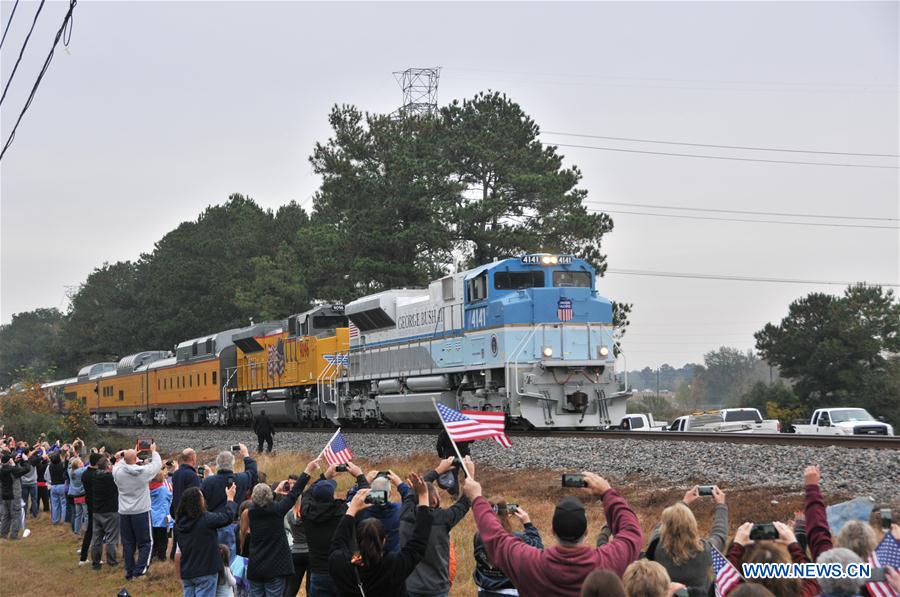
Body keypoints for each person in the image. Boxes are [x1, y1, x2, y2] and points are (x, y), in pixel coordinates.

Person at [464, 470, 643, 597]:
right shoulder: (608, 562)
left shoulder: (529, 562)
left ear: (553, 530)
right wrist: (607, 493)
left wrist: (478, 499)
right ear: (587, 532)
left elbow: (495, 536)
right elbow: (632, 531)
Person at [328, 473, 433, 597]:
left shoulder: (341, 564)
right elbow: (419, 543)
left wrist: (352, 509)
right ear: (383, 541)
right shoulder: (395, 565)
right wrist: (422, 494)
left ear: (357, 538)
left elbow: (338, 541)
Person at [401, 457, 473, 597]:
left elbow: (414, 491)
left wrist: (438, 470)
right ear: (434, 501)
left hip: (409, 585)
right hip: (435, 588)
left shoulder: (405, 513)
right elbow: (465, 502)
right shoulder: (442, 518)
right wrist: (470, 475)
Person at [645, 485, 728, 596]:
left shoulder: (655, 546)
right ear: (692, 526)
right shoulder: (706, 551)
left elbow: (661, 525)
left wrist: (684, 502)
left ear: (666, 527)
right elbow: (720, 533)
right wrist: (721, 505)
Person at [245, 462, 312, 597]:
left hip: (256, 567)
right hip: (274, 568)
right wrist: (307, 472)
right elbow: (294, 495)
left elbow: (261, 503)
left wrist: (274, 493)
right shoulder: (277, 511)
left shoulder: (251, 512)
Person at [302, 463, 363, 597]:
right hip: (341, 571)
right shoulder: (342, 512)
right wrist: (360, 475)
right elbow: (372, 497)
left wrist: (325, 476)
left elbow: (307, 493)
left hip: (317, 573)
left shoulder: (306, 512)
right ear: (332, 496)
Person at [175, 484, 239, 596]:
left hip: (187, 572)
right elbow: (227, 517)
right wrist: (230, 499)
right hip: (206, 571)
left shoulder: (179, 523)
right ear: (198, 502)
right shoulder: (205, 520)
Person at [473, 498, 543, 596]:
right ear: (507, 515)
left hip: (484, 591)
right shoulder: (518, 538)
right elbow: (538, 549)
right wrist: (528, 524)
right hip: (510, 592)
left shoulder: (479, 536)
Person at [113, 444, 163, 580]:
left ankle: (129, 571)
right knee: (146, 542)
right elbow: (157, 465)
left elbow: (118, 461)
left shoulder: (117, 472)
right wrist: (153, 451)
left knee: (128, 543)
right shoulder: (143, 472)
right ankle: (140, 571)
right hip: (141, 511)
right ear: (136, 459)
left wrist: (129, 453)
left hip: (124, 511)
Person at [202, 443, 257, 561]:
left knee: (213, 557)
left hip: (214, 522)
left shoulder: (208, 482)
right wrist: (246, 455)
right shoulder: (241, 479)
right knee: (231, 558)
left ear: (217, 465)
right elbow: (253, 473)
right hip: (234, 523)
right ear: (232, 464)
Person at [348, 469, 410, 553]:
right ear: (390, 493)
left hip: (366, 558)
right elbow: (411, 501)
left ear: (371, 492)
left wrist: (365, 480)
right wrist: (400, 484)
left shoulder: (360, 510)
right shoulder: (399, 511)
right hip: (393, 560)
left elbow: (351, 502)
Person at [171, 448, 204, 560]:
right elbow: (195, 496)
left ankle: (173, 558)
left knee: (177, 540)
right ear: (192, 458)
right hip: (189, 514)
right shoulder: (192, 475)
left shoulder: (176, 474)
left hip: (177, 511)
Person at [90, 456, 120, 570]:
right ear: (108, 466)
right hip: (111, 510)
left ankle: (95, 563)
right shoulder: (111, 478)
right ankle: (111, 561)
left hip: (97, 510)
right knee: (111, 538)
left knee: (96, 538)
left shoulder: (94, 476)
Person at [0, 451, 31, 539]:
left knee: (6, 516)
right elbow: (27, 469)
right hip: (14, 495)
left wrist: (16, 462)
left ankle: (3, 534)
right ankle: (14, 535)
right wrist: (25, 460)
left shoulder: (2, 469)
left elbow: (12, 468)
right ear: (10, 461)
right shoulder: (13, 470)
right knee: (16, 515)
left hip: (4, 495)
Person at [285, 491, 310, 597]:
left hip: (295, 551)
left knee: (292, 586)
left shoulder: (290, 514)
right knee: (310, 586)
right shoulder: (308, 515)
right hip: (309, 551)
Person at [79, 452, 102, 565]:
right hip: (99, 505)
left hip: (89, 502)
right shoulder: (97, 475)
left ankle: (83, 557)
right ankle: (97, 557)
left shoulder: (84, 474)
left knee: (90, 531)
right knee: (100, 532)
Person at [435, 431, 470, 497]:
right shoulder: (464, 430)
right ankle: (468, 493)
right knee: (468, 475)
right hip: (464, 456)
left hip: (451, 457)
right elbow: (471, 440)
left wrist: (442, 455)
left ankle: (455, 495)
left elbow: (438, 446)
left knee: (453, 476)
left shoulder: (444, 433)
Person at [150, 469, 173, 562]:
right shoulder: (163, 489)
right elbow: (170, 496)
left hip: (151, 517)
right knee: (163, 540)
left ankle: (152, 555)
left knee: (153, 539)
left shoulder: (148, 488)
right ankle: (161, 557)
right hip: (161, 518)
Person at [46, 452, 67, 524]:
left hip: (53, 486)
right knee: (63, 504)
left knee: (54, 505)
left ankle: (55, 520)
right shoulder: (62, 465)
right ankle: (63, 520)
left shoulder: (50, 466)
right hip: (61, 485)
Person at [68, 456, 87, 536]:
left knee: (78, 515)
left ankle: (77, 531)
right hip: (82, 495)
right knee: (86, 515)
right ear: (78, 465)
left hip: (75, 496)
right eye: (81, 462)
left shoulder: (71, 472)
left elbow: (69, 465)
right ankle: (86, 530)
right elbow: (89, 467)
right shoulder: (80, 471)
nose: (82, 462)